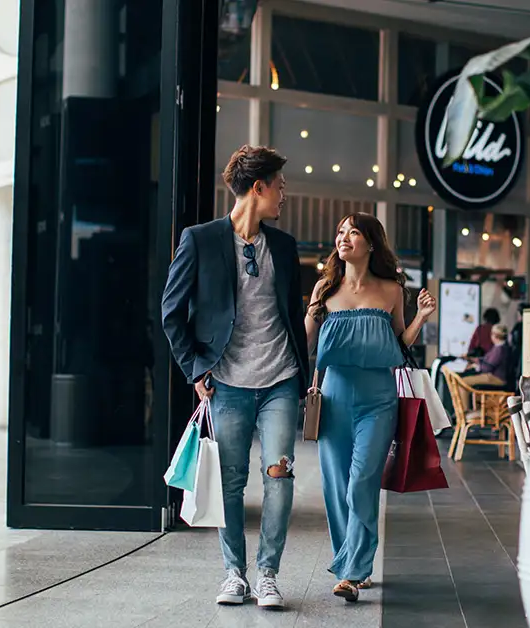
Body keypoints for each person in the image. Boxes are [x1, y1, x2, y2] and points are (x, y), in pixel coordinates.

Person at [161, 145, 308, 609]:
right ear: (258, 187)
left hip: (281, 379)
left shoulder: (283, 248)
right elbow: (171, 311)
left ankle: (267, 574)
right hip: (226, 383)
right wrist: (195, 368)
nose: (284, 196)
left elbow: (292, 312)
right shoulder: (200, 239)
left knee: (278, 474)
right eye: (279, 187)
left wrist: (304, 376)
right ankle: (234, 574)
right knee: (229, 482)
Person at [305, 212, 436, 603]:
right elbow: (306, 345)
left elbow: (399, 345)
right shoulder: (324, 289)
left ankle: (352, 571)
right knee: (335, 484)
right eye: (341, 230)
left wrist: (421, 318)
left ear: (371, 243)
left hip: (379, 399)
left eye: (354, 232)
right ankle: (349, 562)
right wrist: (312, 317)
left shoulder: (391, 289)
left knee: (362, 481)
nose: (344, 237)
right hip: (334, 396)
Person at [460, 323, 512, 397]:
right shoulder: (501, 347)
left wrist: (476, 366)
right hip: (495, 376)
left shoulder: (499, 349)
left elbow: (488, 367)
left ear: (495, 335)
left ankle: (465, 408)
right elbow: (486, 360)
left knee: (463, 382)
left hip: (496, 378)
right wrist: (472, 360)